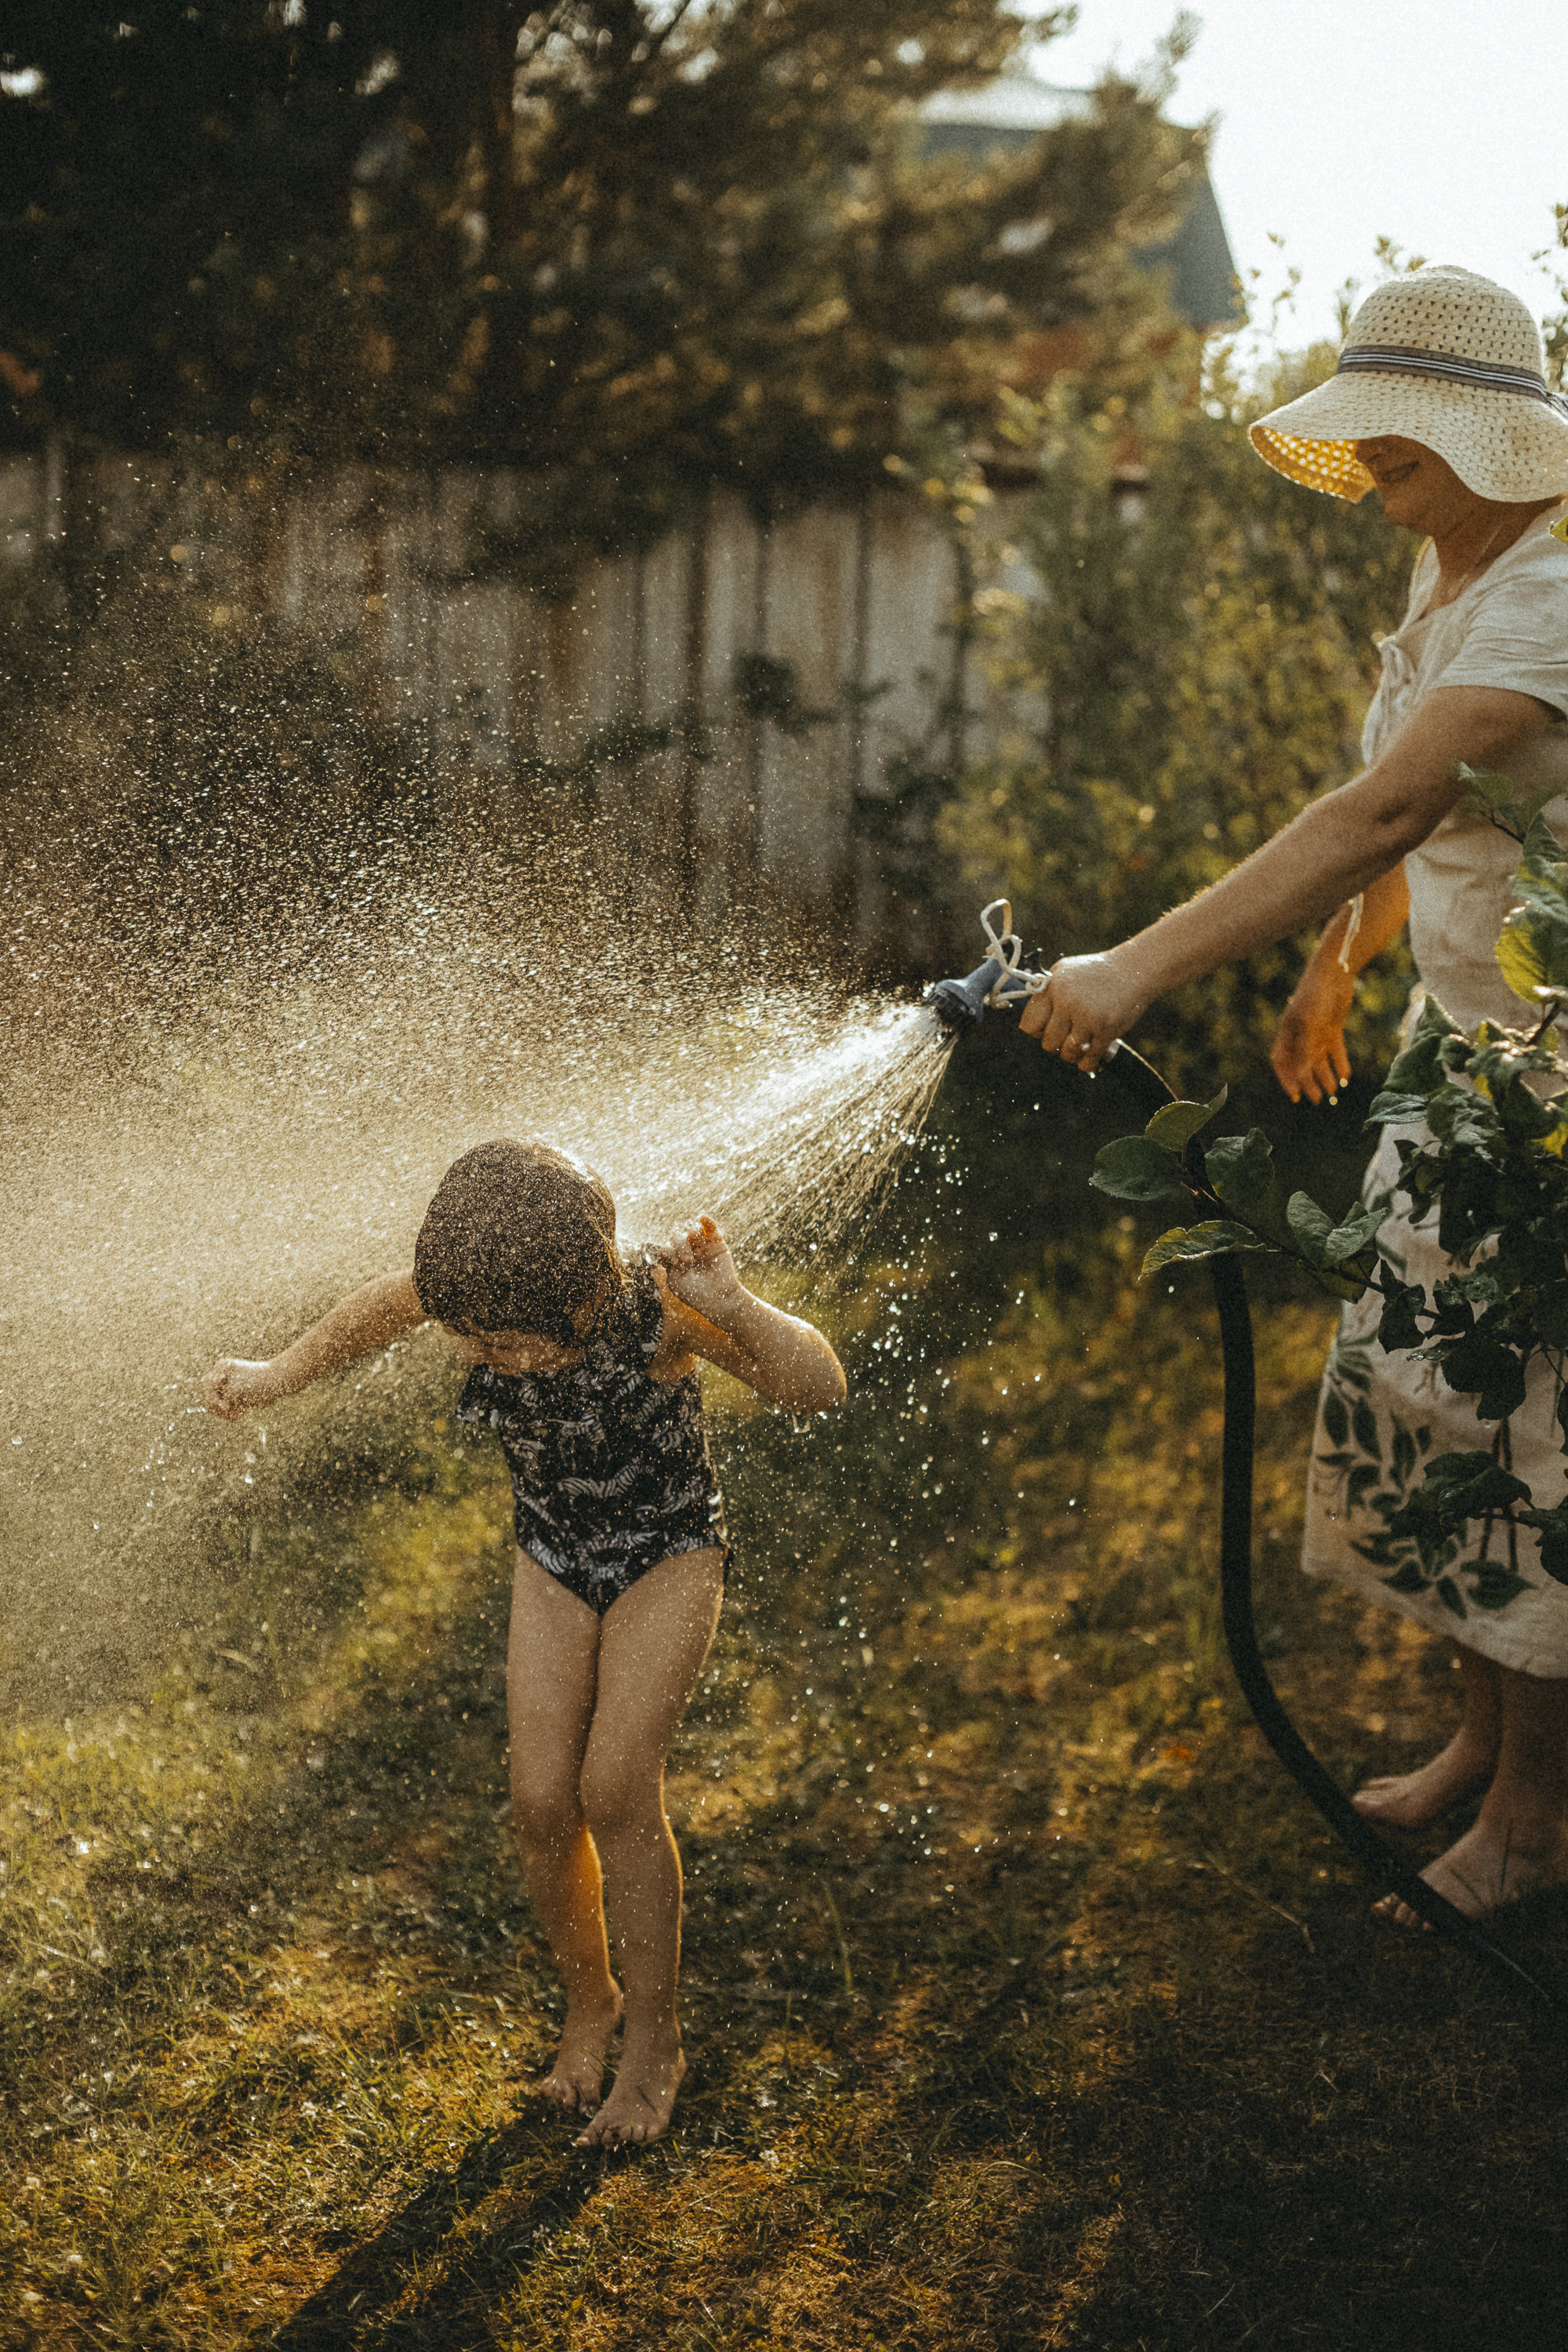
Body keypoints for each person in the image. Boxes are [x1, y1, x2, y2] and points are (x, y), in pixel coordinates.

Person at [1018, 267, 1568, 1926]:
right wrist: (1338, 965)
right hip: (1460, 1059)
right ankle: (1480, 1743)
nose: (1376, 495)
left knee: (1534, 1443)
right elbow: (1414, 809)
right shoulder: (1455, 557)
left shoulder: (1552, 595)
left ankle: (1535, 1819)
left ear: (1480, 443)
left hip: (1553, 1095)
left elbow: (1383, 809)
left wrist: (1132, 970)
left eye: (1395, 462)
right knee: (1436, 1406)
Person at [202, 1138, 846, 2143]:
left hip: (667, 1550)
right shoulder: (479, 1290)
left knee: (615, 1786)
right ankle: (591, 2002)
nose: (472, 1356)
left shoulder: (655, 1308)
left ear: (582, 1305)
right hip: (551, 1552)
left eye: (497, 1347)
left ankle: (654, 2043)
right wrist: (273, 1376)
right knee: (542, 1800)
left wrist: (737, 1306)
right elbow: (373, 1312)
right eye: (464, 1335)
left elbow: (818, 1388)